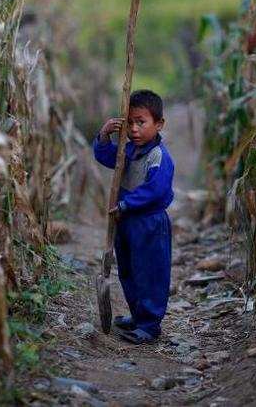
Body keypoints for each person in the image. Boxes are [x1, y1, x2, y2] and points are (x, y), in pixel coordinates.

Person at [93, 89, 174, 344]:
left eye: (141, 122)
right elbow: (107, 158)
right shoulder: (127, 151)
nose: (134, 129)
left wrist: (128, 204)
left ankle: (150, 325)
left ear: (159, 124)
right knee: (129, 269)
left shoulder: (158, 156)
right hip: (125, 221)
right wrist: (105, 135)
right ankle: (138, 315)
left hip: (148, 222)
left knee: (150, 271)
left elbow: (156, 190)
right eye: (129, 123)